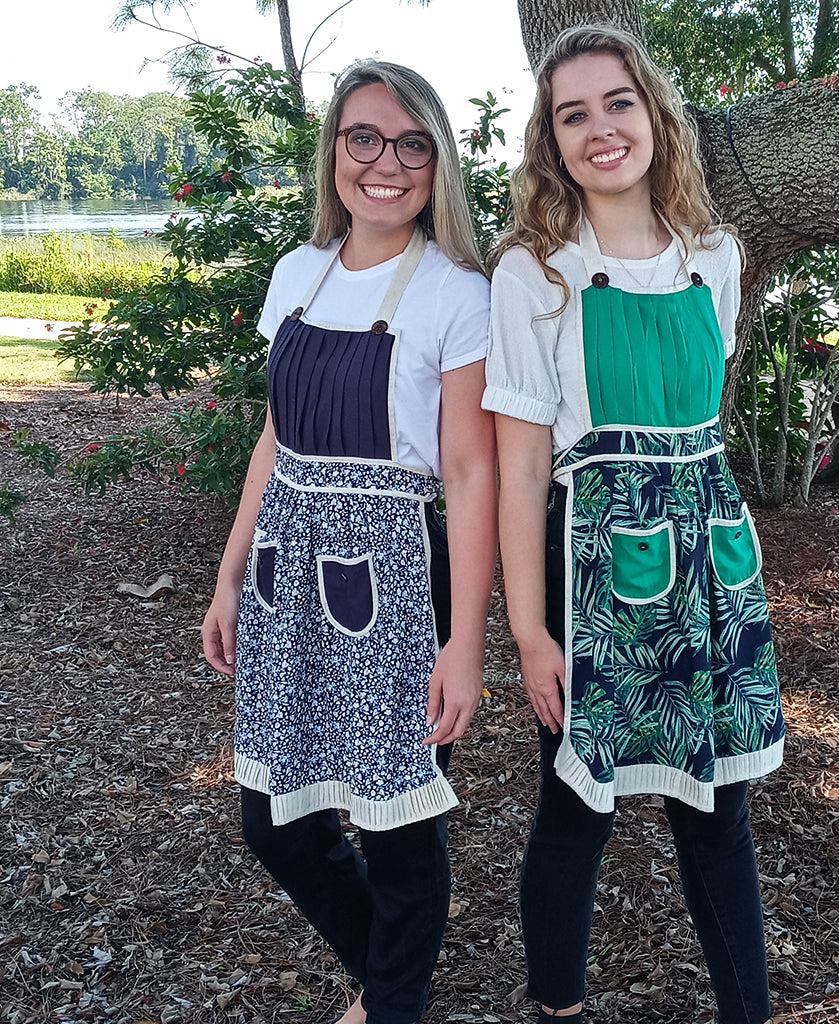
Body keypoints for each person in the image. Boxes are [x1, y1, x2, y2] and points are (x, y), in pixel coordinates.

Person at [484, 25, 784, 1024]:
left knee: (717, 812)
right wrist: (529, 633)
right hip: (592, 566)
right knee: (578, 807)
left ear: (653, 114)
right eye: (573, 114)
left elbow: (703, 426)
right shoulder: (536, 273)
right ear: (552, 140)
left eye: (616, 103)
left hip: (708, 559)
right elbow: (522, 470)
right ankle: (557, 1009)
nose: (599, 128)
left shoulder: (716, 256)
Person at [201, 61, 497, 1024]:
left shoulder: (457, 293)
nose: (386, 163)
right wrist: (230, 569)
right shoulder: (299, 271)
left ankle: (394, 1004)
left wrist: (466, 644)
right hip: (290, 576)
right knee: (276, 816)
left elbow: (469, 474)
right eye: (363, 137)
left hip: (401, 575)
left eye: (412, 144)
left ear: (437, 163)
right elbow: (277, 435)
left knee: (401, 825)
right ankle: (388, 980)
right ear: (333, 148)